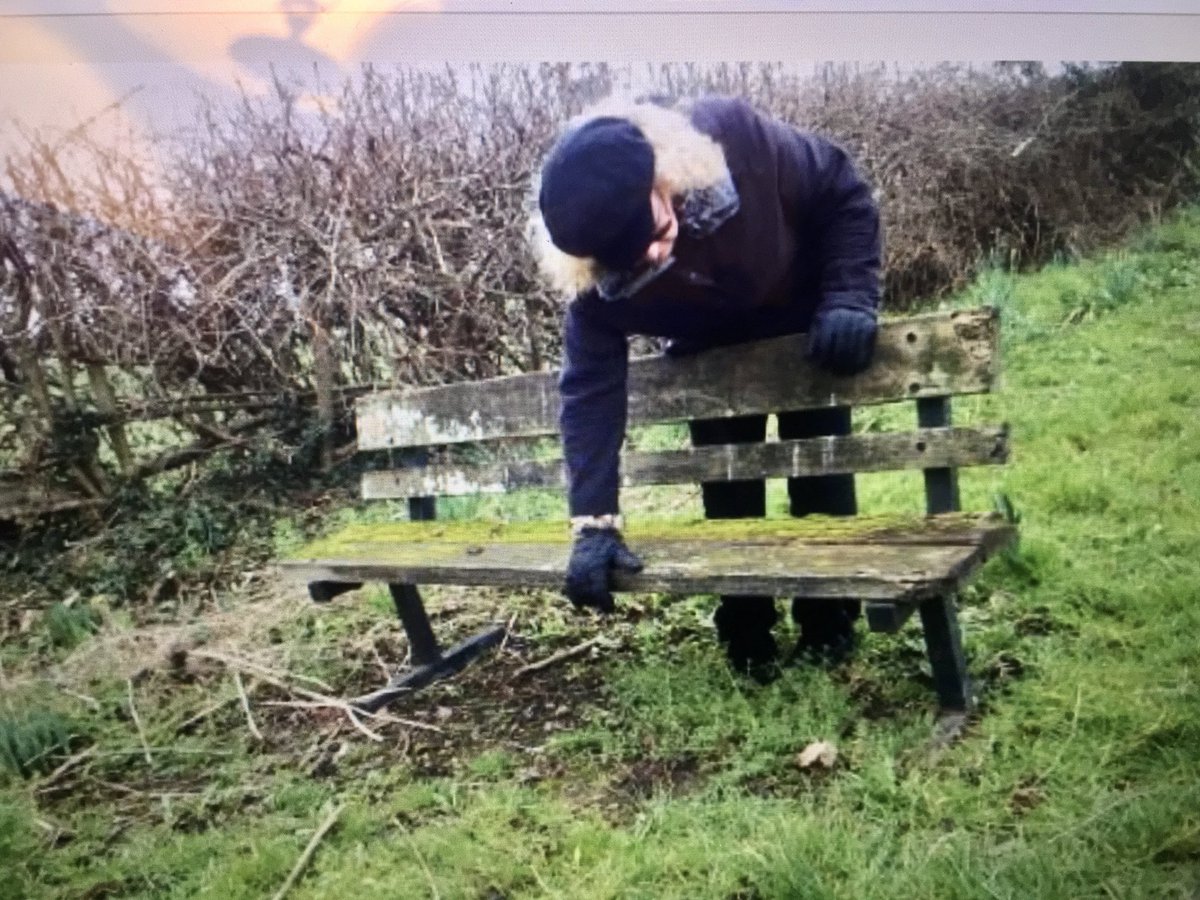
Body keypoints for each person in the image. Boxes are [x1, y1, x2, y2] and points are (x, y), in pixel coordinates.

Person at [529, 95, 882, 681]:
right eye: (634, 262)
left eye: (659, 231)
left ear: (665, 178)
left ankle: (829, 625)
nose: (655, 255)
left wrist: (849, 295)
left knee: (820, 471)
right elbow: (589, 392)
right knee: (728, 490)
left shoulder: (739, 142)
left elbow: (841, 190)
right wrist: (593, 524)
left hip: (806, 328)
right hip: (709, 353)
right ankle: (745, 632)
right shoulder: (596, 282)